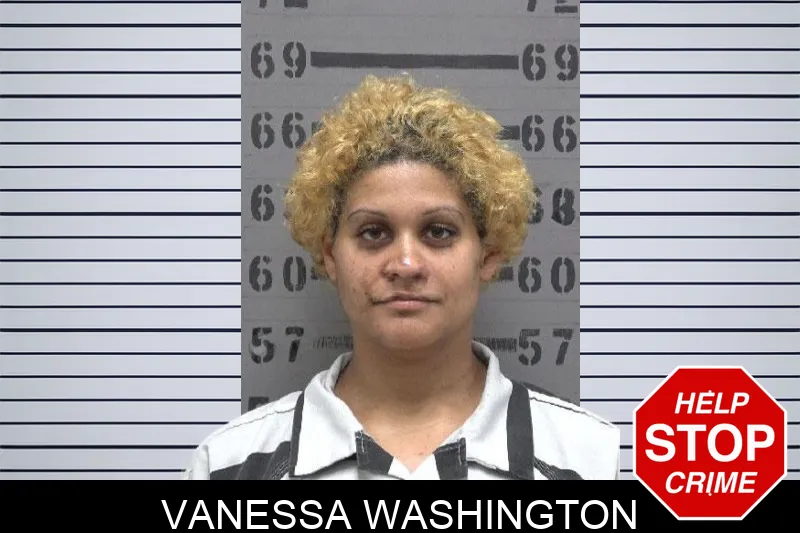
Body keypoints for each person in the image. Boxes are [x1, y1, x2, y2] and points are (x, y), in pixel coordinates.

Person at [182, 74, 620, 480]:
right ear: (330, 255)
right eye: (373, 233)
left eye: (439, 232)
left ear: (488, 254)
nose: (406, 264)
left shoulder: (588, 459)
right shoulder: (230, 466)